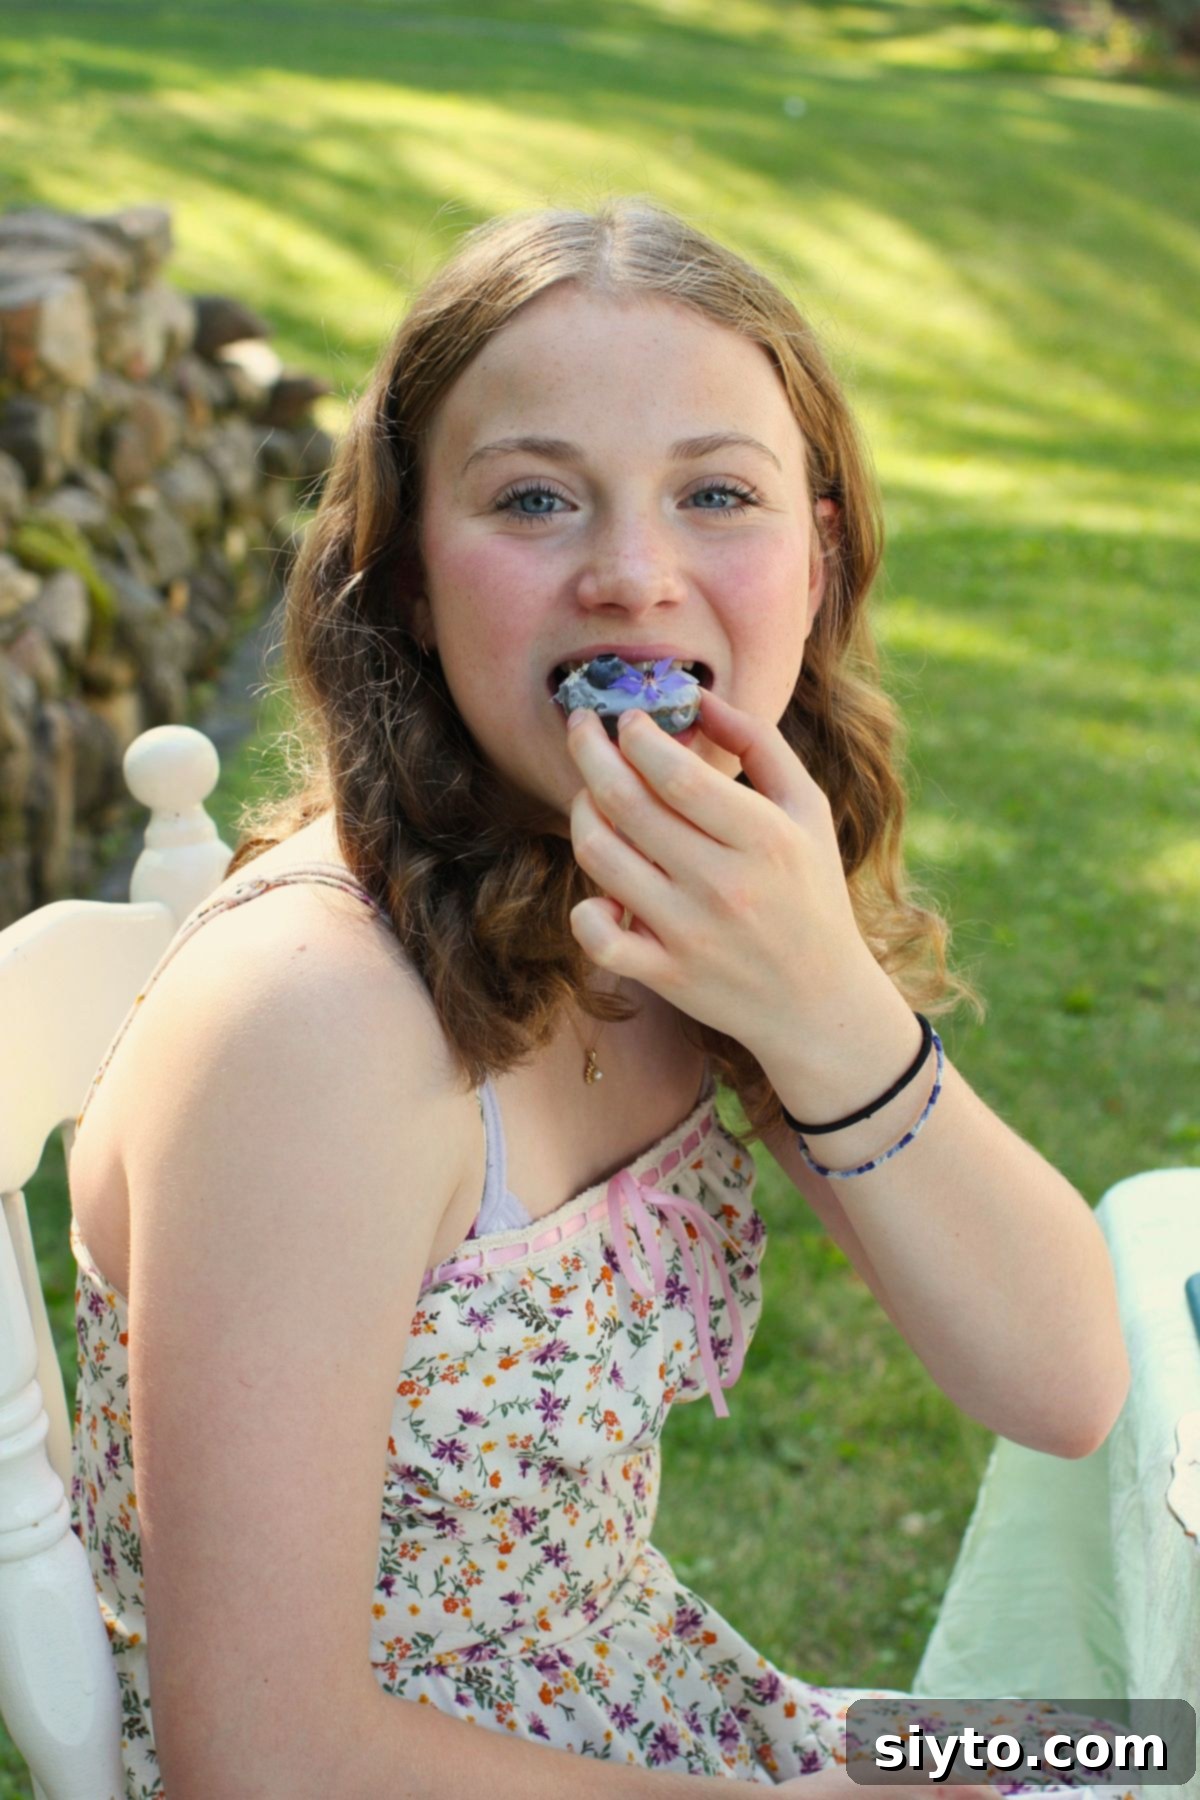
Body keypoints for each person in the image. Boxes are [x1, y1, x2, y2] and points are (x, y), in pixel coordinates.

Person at [67, 198, 1134, 1798]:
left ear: (821, 550)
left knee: (1131, 1748)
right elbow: (264, 1755)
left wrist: (823, 1001)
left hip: (661, 1712)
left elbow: (1067, 1382)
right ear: (408, 576)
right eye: (536, 500)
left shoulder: (675, 907)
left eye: (716, 493)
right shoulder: (311, 1025)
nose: (634, 577)